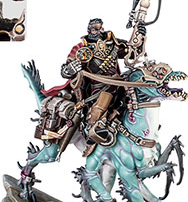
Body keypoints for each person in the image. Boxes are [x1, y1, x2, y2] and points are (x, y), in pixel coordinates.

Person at [61, 18, 146, 146]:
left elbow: (132, 53)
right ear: (89, 30)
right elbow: (66, 71)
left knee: (138, 97)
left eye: (101, 28)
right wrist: (70, 69)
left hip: (119, 83)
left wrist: (140, 36)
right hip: (99, 88)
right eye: (95, 29)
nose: (99, 32)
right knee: (100, 107)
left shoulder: (113, 43)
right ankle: (93, 129)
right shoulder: (81, 48)